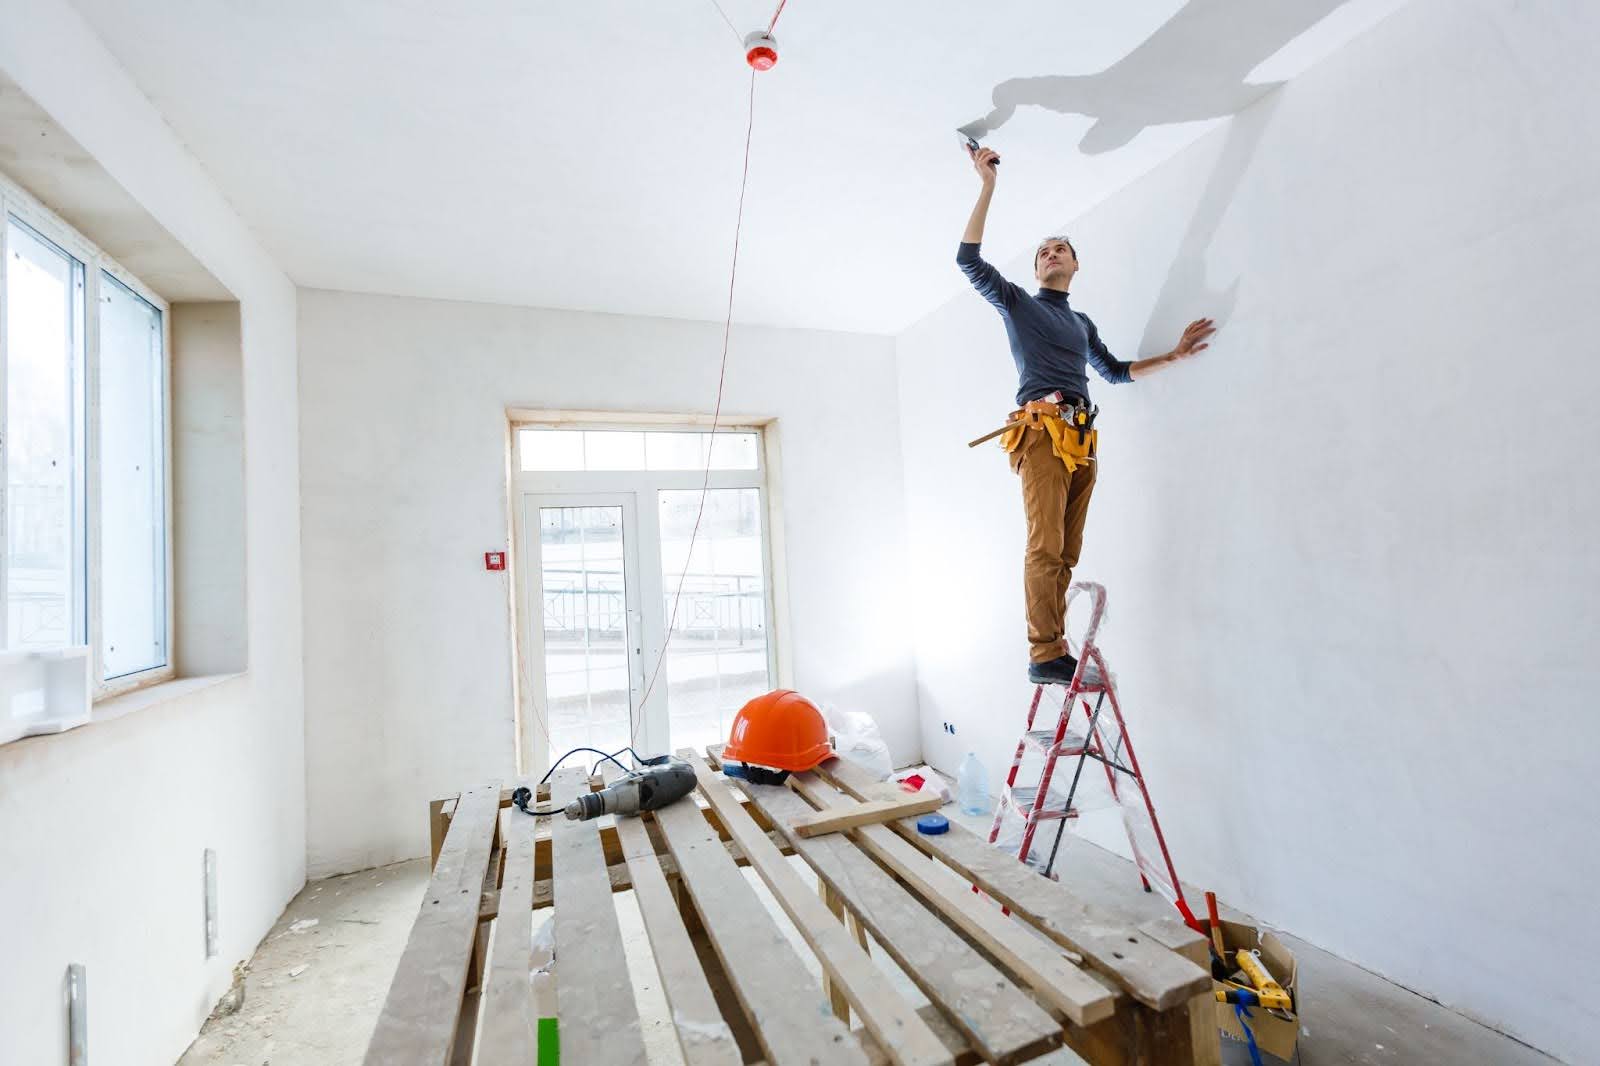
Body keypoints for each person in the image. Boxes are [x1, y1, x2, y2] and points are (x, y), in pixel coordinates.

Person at [959, 143, 1217, 684]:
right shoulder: (1018, 304)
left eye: (1061, 249)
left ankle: (1052, 649)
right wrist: (987, 186)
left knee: (1067, 550)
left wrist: (1173, 355)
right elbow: (969, 261)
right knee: (1044, 544)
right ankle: (1043, 652)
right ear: (1035, 269)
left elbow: (1116, 372)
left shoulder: (1080, 323)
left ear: (1076, 264)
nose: (1052, 253)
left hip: (1082, 440)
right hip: (1041, 434)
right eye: (1043, 251)